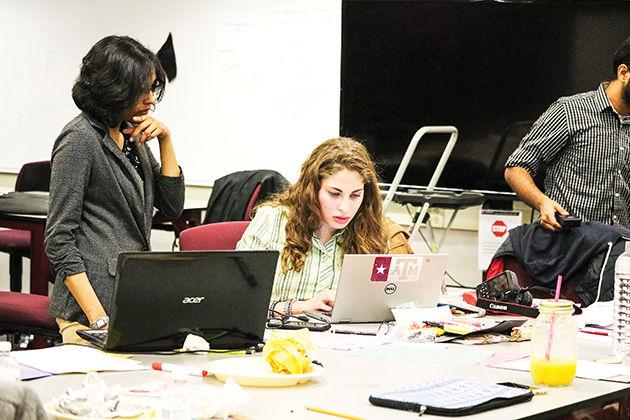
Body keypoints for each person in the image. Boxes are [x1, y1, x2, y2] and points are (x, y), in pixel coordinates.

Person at [45, 36, 185, 343]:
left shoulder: (129, 132)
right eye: (143, 89)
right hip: (89, 312)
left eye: (153, 88)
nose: (151, 99)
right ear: (115, 89)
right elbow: (59, 240)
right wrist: (98, 318)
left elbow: (172, 208)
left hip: (129, 300)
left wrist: (166, 141)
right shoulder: (79, 139)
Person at [237, 137, 400, 317]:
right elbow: (238, 299)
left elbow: (382, 304)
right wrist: (300, 307)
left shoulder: (373, 231)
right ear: (312, 189)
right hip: (281, 339)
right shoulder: (272, 219)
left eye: (355, 195)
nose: (344, 208)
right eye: (334, 194)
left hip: (347, 340)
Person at [505, 36, 630, 231]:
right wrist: (542, 202)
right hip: (567, 246)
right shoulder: (569, 110)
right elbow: (516, 168)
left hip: (619, 250)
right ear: (623, 73)